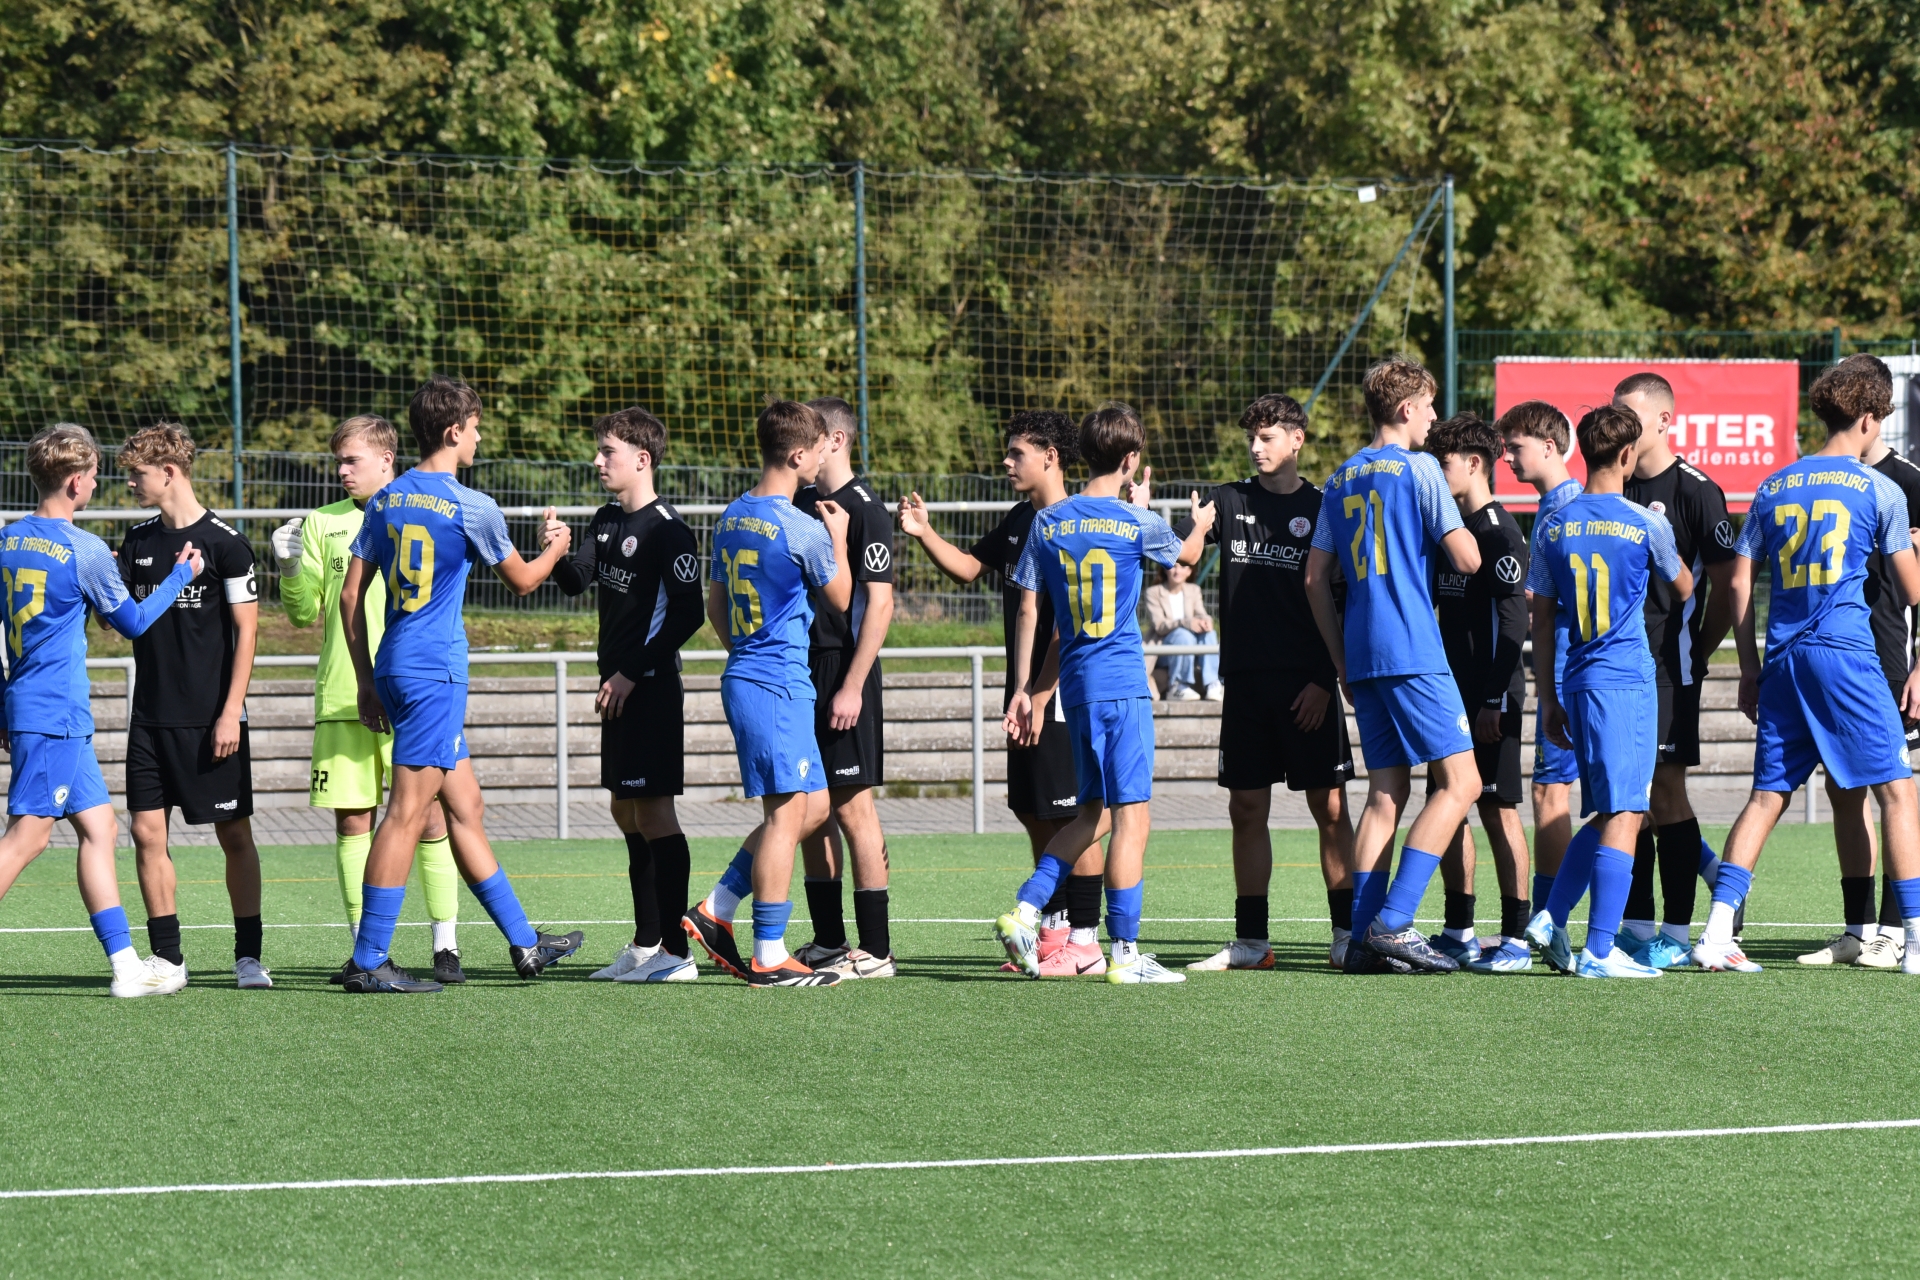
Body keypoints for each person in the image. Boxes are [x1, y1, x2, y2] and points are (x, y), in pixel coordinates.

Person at [337, 374, 582, 993]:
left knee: (466, 807)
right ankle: (369, 960)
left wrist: (365, 681)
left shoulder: (386, 500)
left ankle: (525, 943)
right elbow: (523, 581)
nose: (478, 438)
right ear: (453, 431)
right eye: (475, 428)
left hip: (395, 666)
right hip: (435, 673)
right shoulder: (472, 505)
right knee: (405, 814)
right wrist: (556, 548)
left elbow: (350, 594)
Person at [1694, 355, 1920, 974]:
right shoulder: (1880, 489)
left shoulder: (1773, 486)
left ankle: (1716, 932)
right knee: (1898, 792)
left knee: (1766, 796)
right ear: (1869, 419)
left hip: (1784, 659)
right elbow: (1912, 589)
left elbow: (1738, 584)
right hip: (1846, 656)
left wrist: (1748, 667)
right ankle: (1914, 943)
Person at [996, 402, 1211, 984]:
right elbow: (1187, 557)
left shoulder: (1047, 523)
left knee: (1092, 812)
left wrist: (1028, 689)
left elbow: (1034, 610)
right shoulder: (1136, 521)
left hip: (1077, 688)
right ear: (1131, 459)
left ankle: (1026, 909)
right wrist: (1200, 523)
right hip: (1122, 684)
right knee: (1132, 818)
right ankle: (1126, 954)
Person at [898, 412, 1112, 977]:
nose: (1006, 461)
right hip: (1022, 690)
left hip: (1060, 689)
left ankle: (1085, 942)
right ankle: (1054, 933)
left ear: (1051, 456)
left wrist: (1039, 693)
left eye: (1017, 452)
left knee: (1073, 813)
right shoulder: (1021, 519)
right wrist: (924, 533)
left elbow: (1069, 622)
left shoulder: (1076, 520)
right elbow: (970, 567)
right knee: (1033, 809)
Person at [0, 424, 199, 997]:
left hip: (35, 705)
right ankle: (127, 966)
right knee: (28, 837)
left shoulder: (8, 539)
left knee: (100, 827)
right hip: (56, 712)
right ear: (74, 482)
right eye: (91, 476)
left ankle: (126, 966)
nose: (96, 484)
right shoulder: (82, 548)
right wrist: (180, 575)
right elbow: (131, 623)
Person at [1305, 356, 1483, 974]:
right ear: (1406, 408)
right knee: (1463, 783)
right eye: (1429, 406)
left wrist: (1340, 663)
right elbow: (1466, 559)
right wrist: (1464, 518)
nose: (1434, 418)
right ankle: (1395, 921)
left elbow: (1314, 578)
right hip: (1412, 647)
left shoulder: (1339, 476)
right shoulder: (1421, 468)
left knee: (1386, 793)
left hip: (1363, 654)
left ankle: (1360, 940)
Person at [275, 415, 464, 986]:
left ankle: (446, 944)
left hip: (410, 691)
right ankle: (364, 949)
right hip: (344, 695)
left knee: (429, 816)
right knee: (354, 821)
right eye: (338, 461)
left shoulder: (423, 507)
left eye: (352, 460)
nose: (342, 471)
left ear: (387, 459)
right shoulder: (322, 522)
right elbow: (303, 613)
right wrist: (289, 568)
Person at [1181, 393, 1356, 973]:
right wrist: (1187, 528)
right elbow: (1179, 563)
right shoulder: (1228, 500)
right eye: (1251, 438)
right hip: (1247, 686)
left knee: (1330, 807)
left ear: (1297, 440)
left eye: (1268, 437)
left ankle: (1346, 933)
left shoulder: (1325, 507)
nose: (1256, 448)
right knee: (1247, 808)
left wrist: (1325, 678)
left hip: (1310, 687)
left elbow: (1344, 601)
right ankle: (1252, 942)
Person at [682, 398, 853, 987]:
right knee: (785, 817)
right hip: (776, 683)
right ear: (798, 455)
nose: (822, 460)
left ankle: (717, 907)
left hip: (752, 675)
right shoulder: (802, 526)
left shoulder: (732, 514)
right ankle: (769, 952)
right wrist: (839, 536)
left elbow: (715, 605)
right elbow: (840, 599)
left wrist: (746, 653)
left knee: (816, 806)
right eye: (819, 451)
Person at [1523, 404, 1692, 978]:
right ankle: (1599, 952)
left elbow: (1541, 617)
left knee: (1606, 811)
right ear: (1626, 455)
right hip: (1625, 681)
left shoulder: (1553, 525)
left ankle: (1550, 916)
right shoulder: (1644, 522)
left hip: (1576, 678)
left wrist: (1548, 697)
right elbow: (1683, 584)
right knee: (1628, 811)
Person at [551, 406, 704, 984]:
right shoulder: (607, 519)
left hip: (650, 689)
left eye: (607, 451)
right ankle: (645, 944)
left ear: (642, 459)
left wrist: (631, 673)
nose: (597, 460)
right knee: (625, 810)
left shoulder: (669, 530)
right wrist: (558, 550)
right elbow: (576, 581)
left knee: (654, 812)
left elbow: (688, 614)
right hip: (617, 690)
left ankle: (677, 953)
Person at [116, 424, 268, 990]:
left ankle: (248, 957)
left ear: (169, 472)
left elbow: (248, 633)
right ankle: (169, 959)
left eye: (138, 474)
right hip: (149, 720)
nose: (130, 483)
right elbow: (118, 618)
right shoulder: (136, 541)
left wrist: (231, 711)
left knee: (234, 836)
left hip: (211, 721)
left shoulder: (227, 544)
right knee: (145, 833)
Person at [1615, 372, 1738, 965]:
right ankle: (1636, 928)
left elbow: (1730, 586)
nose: (1621, 427)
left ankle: (1677, 933)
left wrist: (1700, 650)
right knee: (1627, 797)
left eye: (1630, 415)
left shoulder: (1696, 491)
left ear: (1664, 421)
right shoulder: (1610, 484)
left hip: (1669, 670)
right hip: (1615, 670)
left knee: (1664, 792)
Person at [1798, 420, 1920, 968]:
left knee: (1895, 789)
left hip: (1889, 660)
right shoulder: (1819, 480)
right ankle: (1858, 929)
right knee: (1842, 790)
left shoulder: (1906, 482)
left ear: (1872, 414)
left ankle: (1896, 931)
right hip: (1835, 659)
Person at [789, 396, 898, 979]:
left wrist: (853, 684)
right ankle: (829, 941)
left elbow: (879, 605)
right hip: (801, 668)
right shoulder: (799, 502)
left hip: (844, 669)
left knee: (854, 807)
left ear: (834, 440)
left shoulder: (866, 510)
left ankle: (877, 951)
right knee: (812, 804)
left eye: (810, 435)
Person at [1424, 412, 1534, 973]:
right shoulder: (1449, 530)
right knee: (1446, 806)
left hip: (1492, 698)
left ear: (1473, 464)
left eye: (1442, 463)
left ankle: (1516, 938)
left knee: (1497, 809)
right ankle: (1459, 931)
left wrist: (1495, 700)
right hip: (1448, 697)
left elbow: (1515, 621)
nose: (1435, 473)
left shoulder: (1497, 531)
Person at [1497, 401, 1583, 925]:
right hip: (1575, 669)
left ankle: (1548, 921)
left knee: (1551, 791)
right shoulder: (1558, 503)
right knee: (1631, 799)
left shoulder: (1565, 507)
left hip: (1573, 670)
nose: (1507, 458)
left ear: (1549, 447)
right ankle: (1711, 870)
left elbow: (1556, 598)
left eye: (1515, 447)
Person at [1143, 560, 1219, 701]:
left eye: (1183, 567)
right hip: (1163, 648)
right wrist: (1185, 623)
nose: (1177, 571)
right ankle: (1177, 686)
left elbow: (1201, 613)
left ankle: (1212, 684)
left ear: (1189, 571)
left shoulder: (1194, 590)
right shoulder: (1153, 592)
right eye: (1173, 566)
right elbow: (1159, 626)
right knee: (1183, 635)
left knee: (1209, 634)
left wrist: (1206, 622)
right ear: (1165, 569)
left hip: (1191, 646)